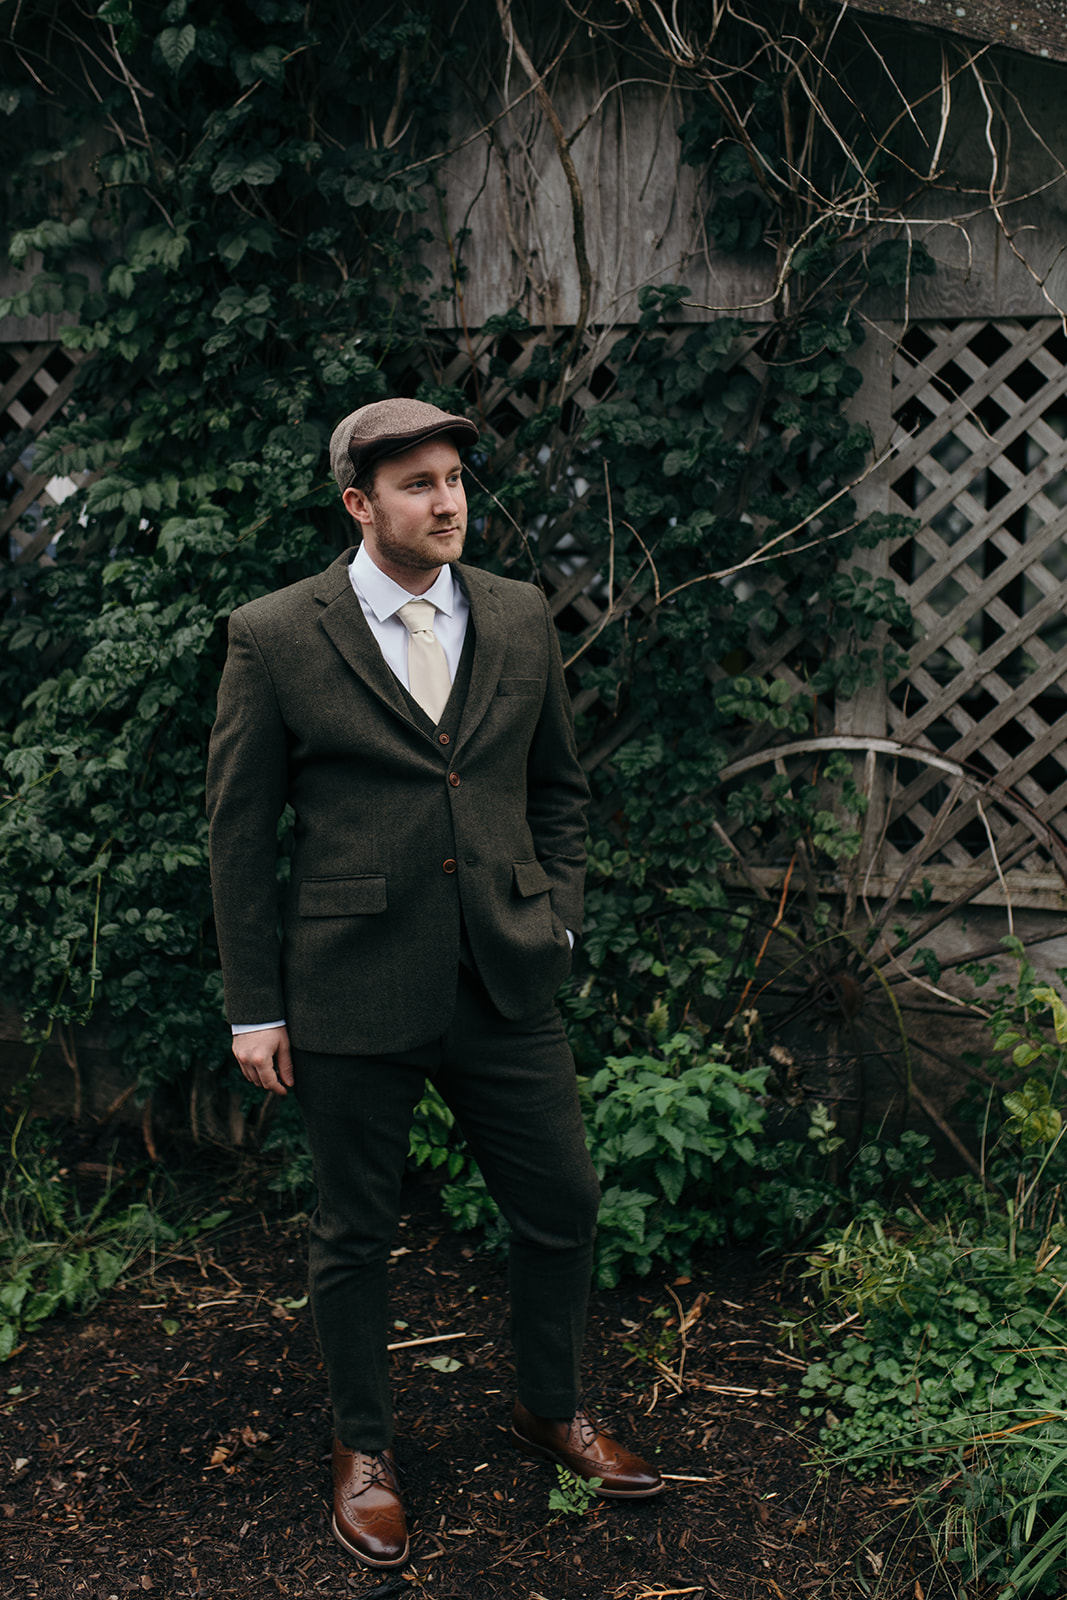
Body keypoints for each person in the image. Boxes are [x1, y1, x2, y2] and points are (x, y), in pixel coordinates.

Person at [205, 398, 663, 1570]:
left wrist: (552, 913)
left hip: (504, 976)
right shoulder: (274, 634)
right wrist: (255, 1007)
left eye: (453, 477)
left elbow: (555, 785)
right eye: (416, 483)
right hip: (350, 984)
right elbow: (237, 834)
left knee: (561, 1202)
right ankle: (363, 1452)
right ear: (358, 504)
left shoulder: (516, 615)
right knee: (355, 1230)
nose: (447, 499)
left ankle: (547, 1405)